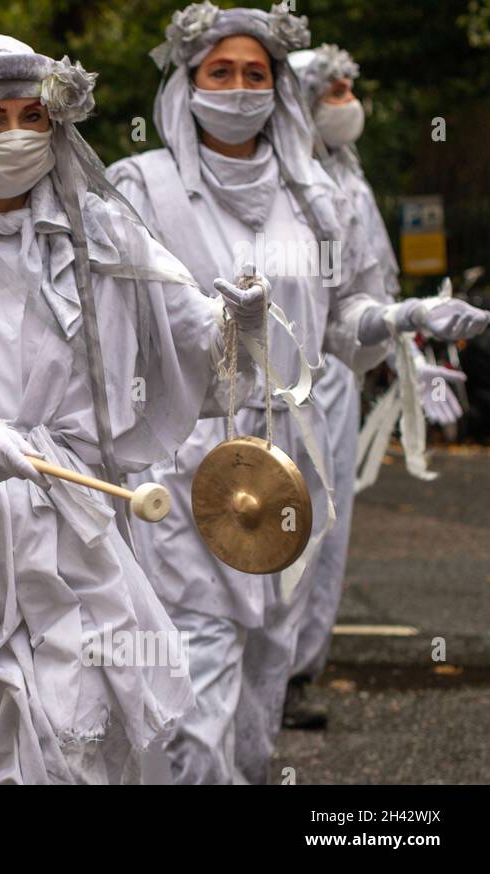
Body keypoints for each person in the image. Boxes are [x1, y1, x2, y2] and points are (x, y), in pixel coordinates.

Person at [0, 33, 275, 785]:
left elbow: (213, 369)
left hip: (81, 531)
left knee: (83, 749)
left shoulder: (106, 239)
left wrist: (246, 325)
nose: (15, 137)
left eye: (35, 117)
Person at [106, 3, 488, 784]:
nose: (240, 88)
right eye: (221, 72)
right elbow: (115, 326)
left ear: (278, 87)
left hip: (292, 457)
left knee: (269, 651)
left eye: (256, 74)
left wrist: (402, 316)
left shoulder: (315, 196)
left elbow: (344, 319)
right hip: (190, 458)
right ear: (188, 84)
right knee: (198, 645)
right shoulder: (142, 189)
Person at [283, 43, 471, 729]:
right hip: (278, 374)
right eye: (331, 92)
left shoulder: (350, 180)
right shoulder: (280, 179)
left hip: (336, 375)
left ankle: (298, 671)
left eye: (346, 90)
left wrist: (404, 347)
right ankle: (257, 669)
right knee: (275, 517)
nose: (346, 104)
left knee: (325, 527)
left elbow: (366, 292)